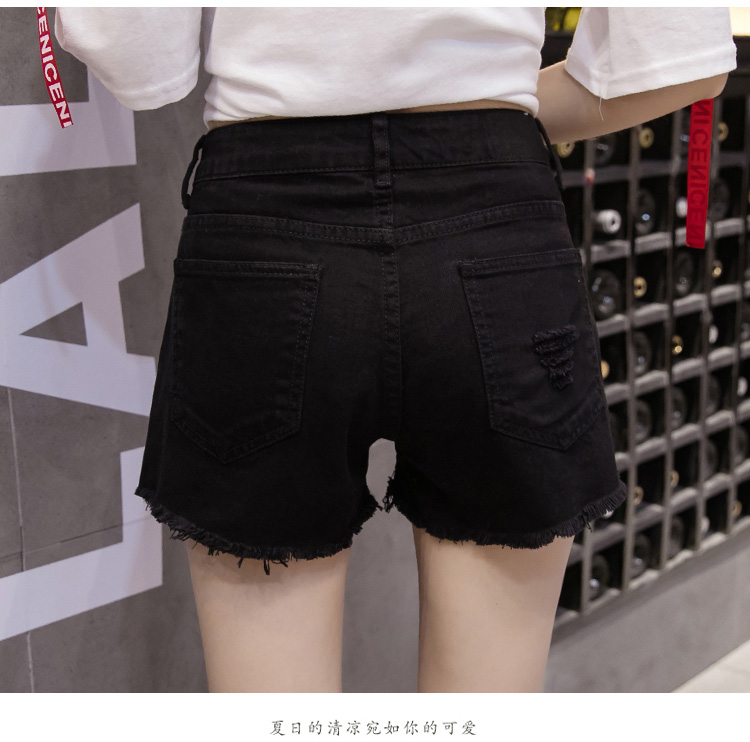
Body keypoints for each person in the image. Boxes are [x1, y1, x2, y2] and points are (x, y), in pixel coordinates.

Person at [54, 7, 736, 693]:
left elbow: (128, 49)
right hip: (493, 215)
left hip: (269, 227)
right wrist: (482, 92)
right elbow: (683, 60)